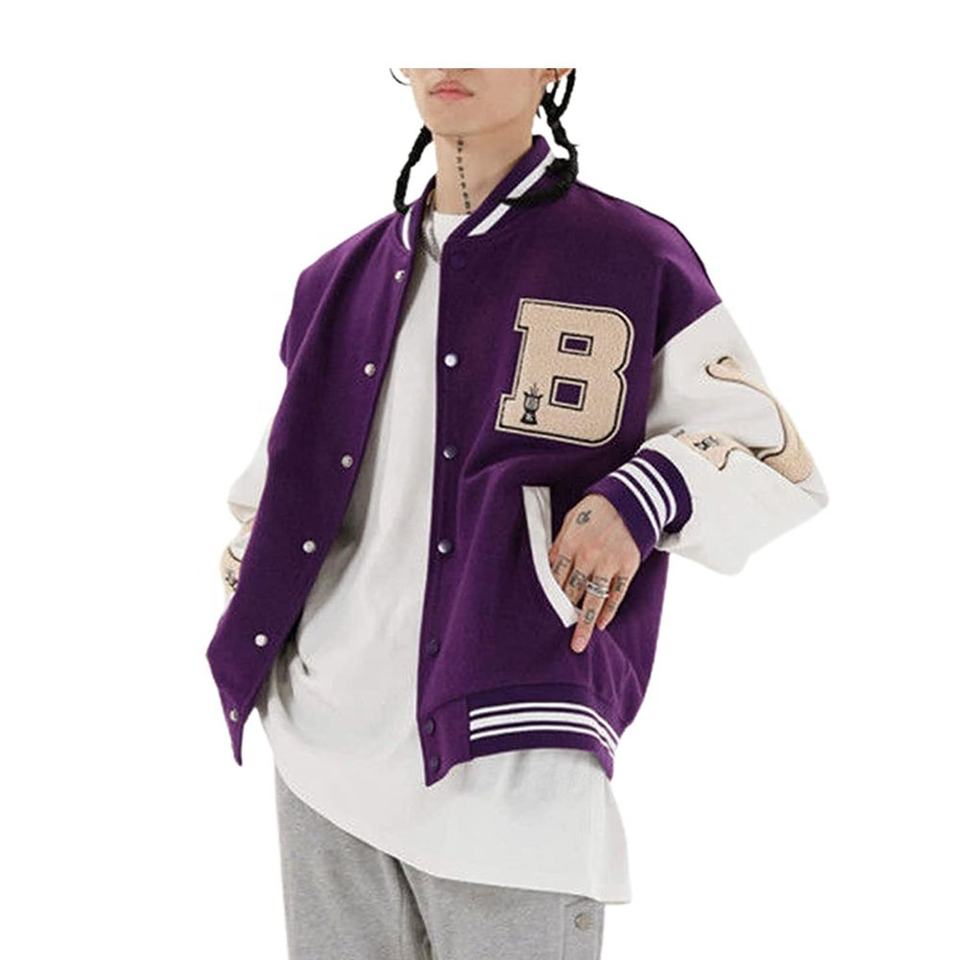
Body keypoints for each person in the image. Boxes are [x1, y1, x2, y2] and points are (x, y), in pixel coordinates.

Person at [212, 67, 828, 960]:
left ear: (555, 60)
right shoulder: (336, 279)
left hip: (513, 752)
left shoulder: (631, 255)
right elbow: (278, 488)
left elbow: (773, 454)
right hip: (321, 746)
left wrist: (635, 499)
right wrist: (255, 573)